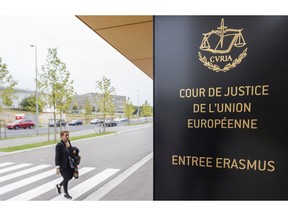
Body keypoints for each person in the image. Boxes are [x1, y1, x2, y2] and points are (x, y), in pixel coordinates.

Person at [55, 130, 74, 199]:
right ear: (61, 136)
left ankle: (59, 185)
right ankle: (66, 193)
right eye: (66, 135)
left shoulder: (68, 142)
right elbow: (57, 156)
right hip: (63, 165)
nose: (67, 137)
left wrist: (69, 147)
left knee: (70, 177)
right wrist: (57, 167)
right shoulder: (59, 145)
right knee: (66, 178)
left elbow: (71, 153)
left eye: (68, 135)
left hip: (69, 164)